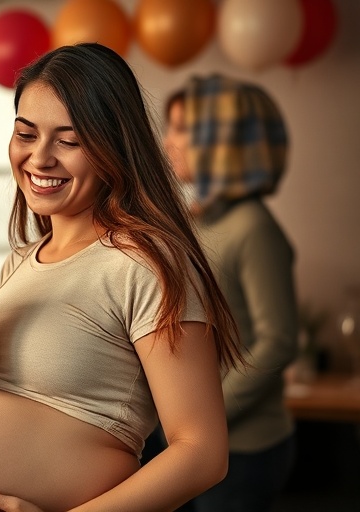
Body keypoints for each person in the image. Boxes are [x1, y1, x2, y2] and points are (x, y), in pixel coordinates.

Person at [0, 43, 245, 512]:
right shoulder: (22, 262)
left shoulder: (146, 264)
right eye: (25, 134)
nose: (40, 158)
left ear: (114, 146)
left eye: (69, 141)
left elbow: (201, 453)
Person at [162, 75, 299, 512]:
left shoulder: (254, 227)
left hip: (242, 451)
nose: (167, 141)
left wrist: (205, 415)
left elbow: (278, 340)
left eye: (182, 128)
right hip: (192, 443)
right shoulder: (196, 219)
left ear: (222, 140)